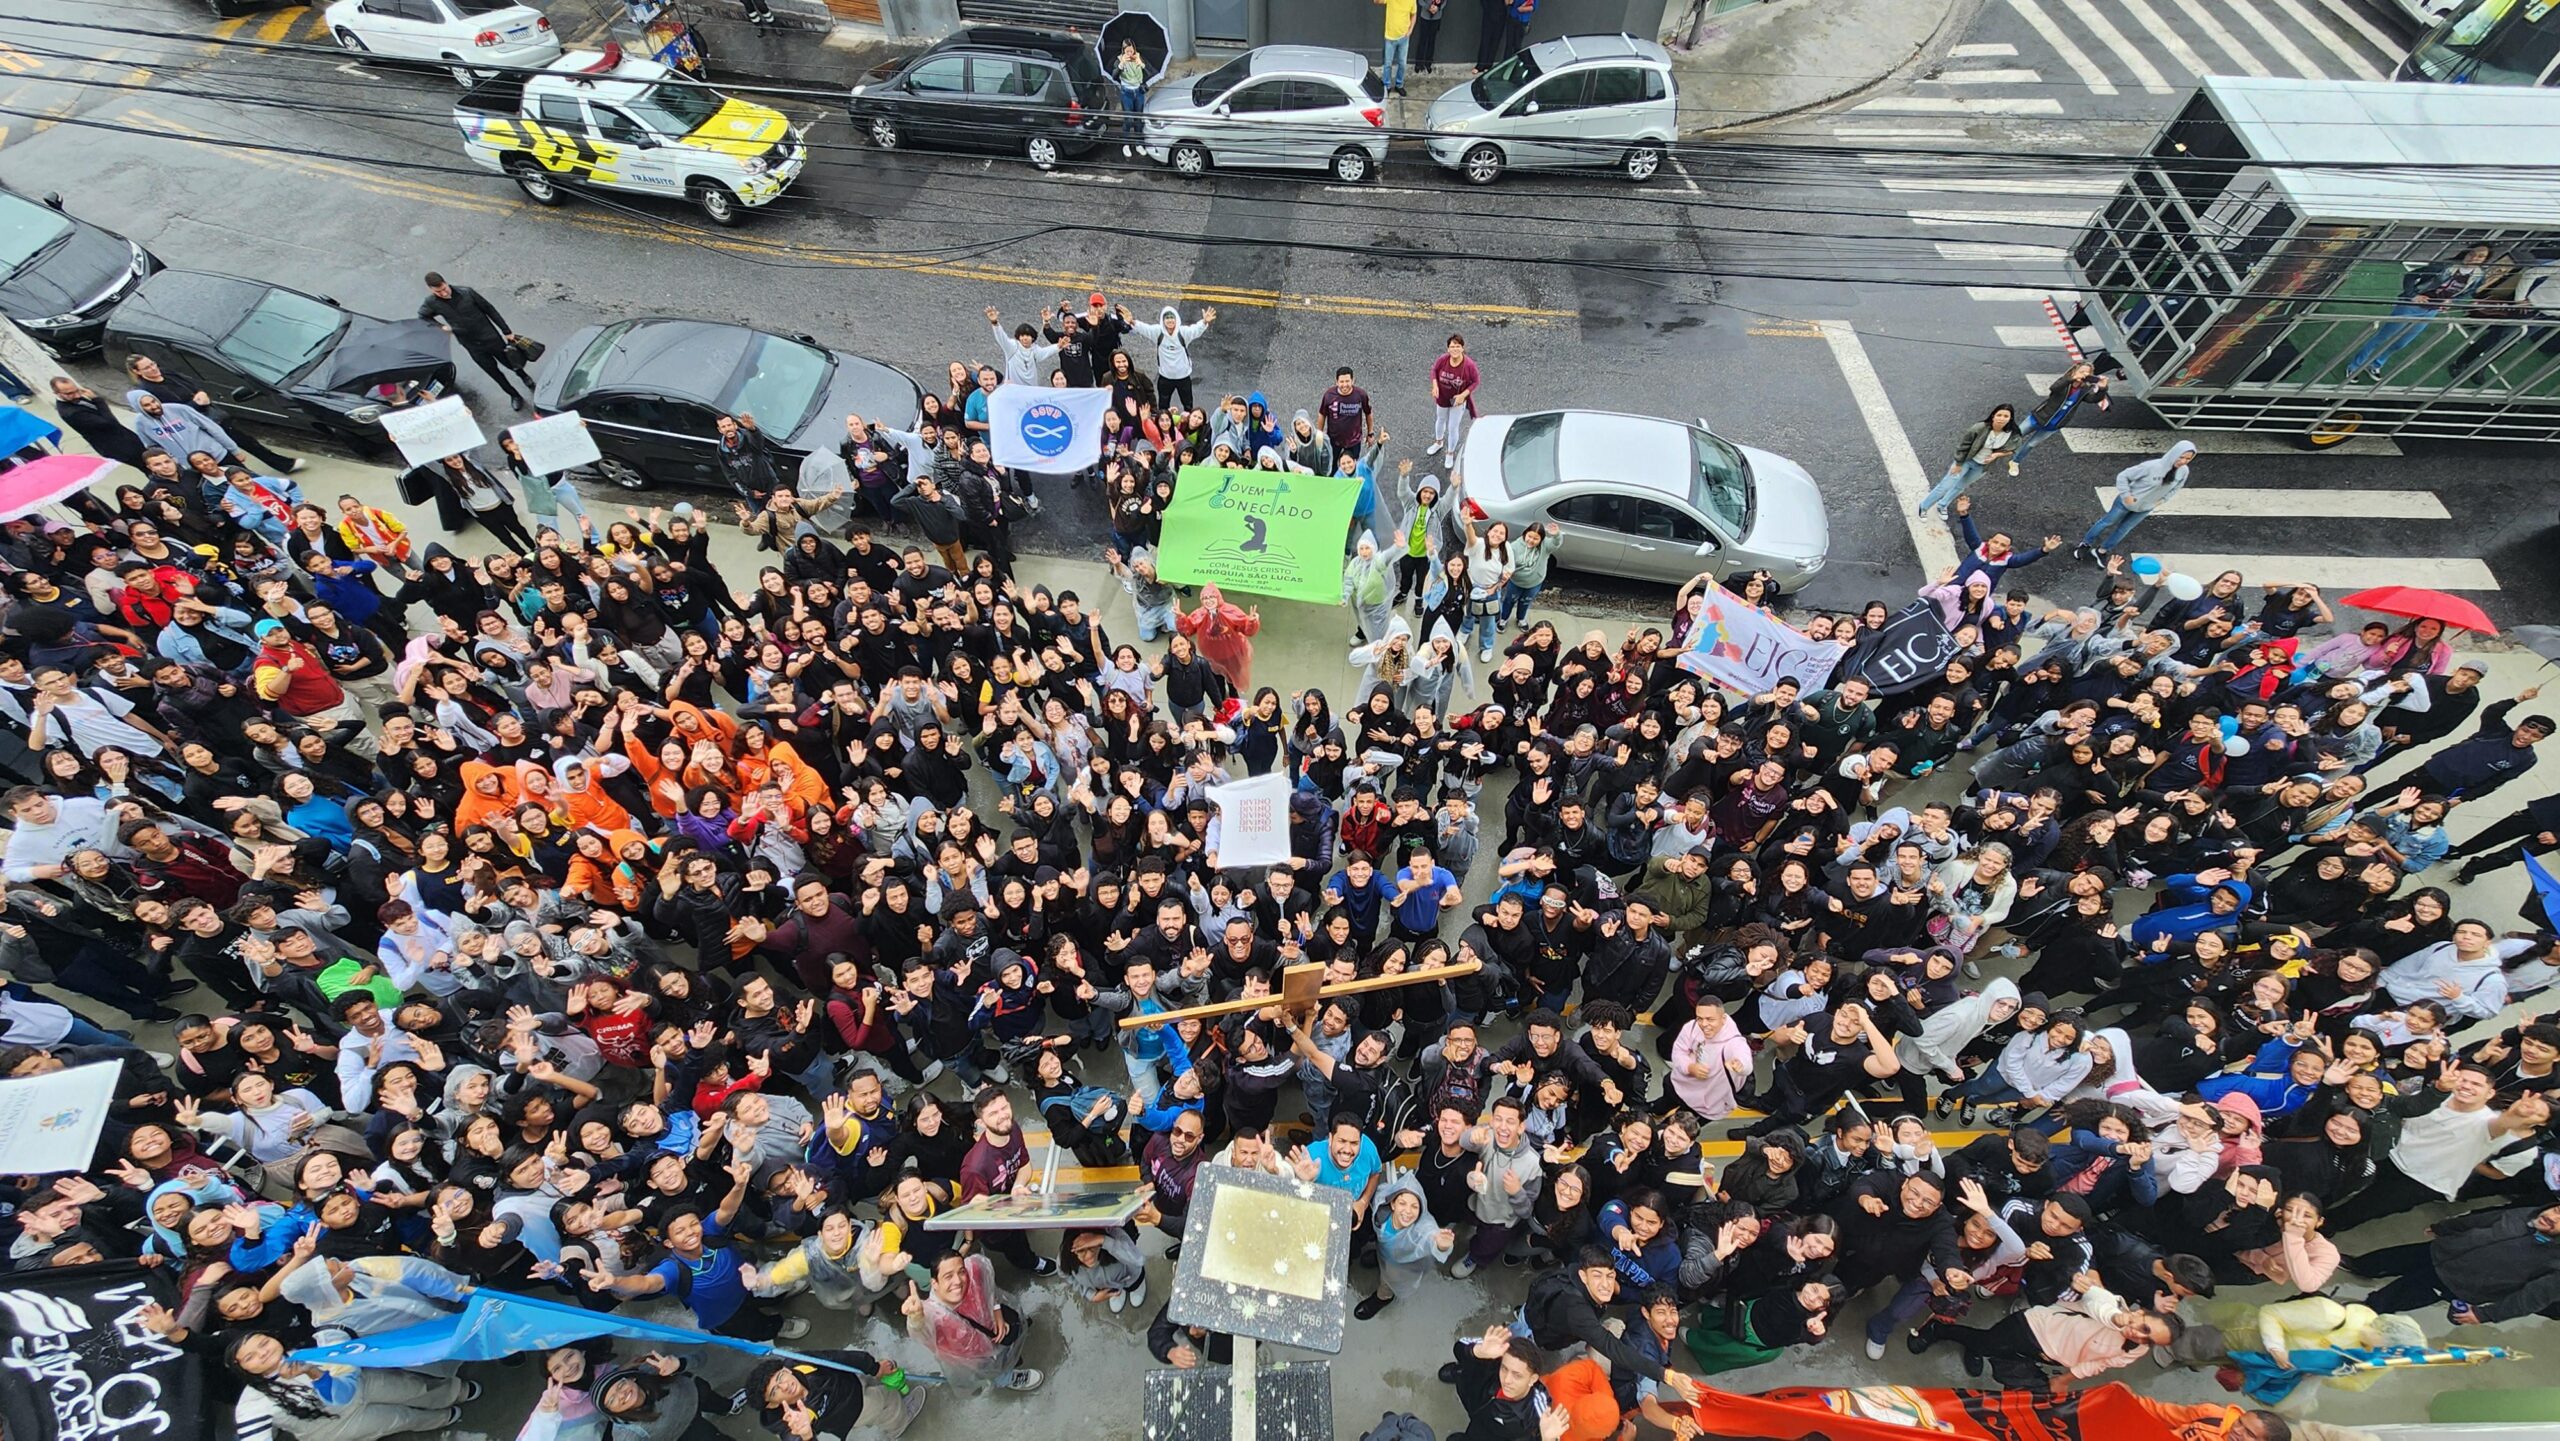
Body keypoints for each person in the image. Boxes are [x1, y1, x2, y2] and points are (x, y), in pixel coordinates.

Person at [2345, 243, 2493, 382]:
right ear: (2466, 252)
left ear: (2485, 260)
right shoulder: (2444, 266)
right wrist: (2413, 295)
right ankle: (2355, 366)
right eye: (2472, 253)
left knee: (2401, 343)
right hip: (2411, 306)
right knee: (2383, 337)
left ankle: (2376, 363)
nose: (2474, 258)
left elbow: (2468, 292)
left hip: (2430, 311)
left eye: (2480, 256)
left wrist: (2451, 301)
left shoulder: (2478, 276)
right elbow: (2411, 276)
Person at [418, 271, 533, 410]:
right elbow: (423, 316)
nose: (443, 293)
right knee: (493, 372)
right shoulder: (432, 302)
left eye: (444, 289)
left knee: (510, 361)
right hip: (472, 345)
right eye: (438, 292)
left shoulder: (467, 293)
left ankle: (524, 377)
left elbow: (490, 310)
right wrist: (441, 327)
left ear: (446, 283)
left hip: (491, 338)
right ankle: (514, 395)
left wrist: (506, 331)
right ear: (431, 289)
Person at [2073, 439, 2195, 560]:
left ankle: (2102, 550)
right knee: (2106, 522)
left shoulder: (2184, 471)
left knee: (2124, 530)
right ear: (2174, 454)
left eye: (2188, 459)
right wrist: (2126, 495)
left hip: (2145, 508)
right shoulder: (2151, 467)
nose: (2183, 461)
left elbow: (2176, 488)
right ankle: (2085, 543)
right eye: (2181, 457)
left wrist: (2162, 501)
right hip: (2125, 503)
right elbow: (2123, 476)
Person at [1917, 405, 2019, 519]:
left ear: (2010, 418)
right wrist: (1958, 464)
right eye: (1999, 415)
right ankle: (1924, 506)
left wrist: (1996, 455)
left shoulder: (2012, 434)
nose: (2002, 418)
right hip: (1966, 460)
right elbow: (1963, 446)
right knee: (1945, 486)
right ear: (1993, 416)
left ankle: (1942, 505)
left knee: (1960, 487)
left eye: (2006, 416)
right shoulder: (1980, 428)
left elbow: (2013, 449)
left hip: (1982, 466)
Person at [1428, 335, 1479, 468]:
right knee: (1440, 419)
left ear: (1462, 348)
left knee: (1452, 427)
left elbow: (1475, 381)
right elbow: (1434, 370)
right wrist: (1435, 386)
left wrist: (1463, 395)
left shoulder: (1469, 365)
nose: (1455, 349)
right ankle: (1438, 442)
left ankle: (1450, 453)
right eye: (1452, 346)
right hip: (1442, 397)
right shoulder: (1443, 360)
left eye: (1458, 346)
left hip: (1457, 401)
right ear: (1448, 349)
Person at [1114, 43, 1149, 155]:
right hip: (1126, 92)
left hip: (1138, 92)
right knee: (1128, 119)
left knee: (1138, 119)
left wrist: (1141, 64)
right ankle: (1126, 144)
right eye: (1127, 51)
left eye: (1131, 51)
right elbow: (1114, 76)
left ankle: (1139, 143)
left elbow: (1148, 74)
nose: (1129, 54)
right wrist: (1121, 65)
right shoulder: (1119, 60)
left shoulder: (1138, 57)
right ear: (1123, 51)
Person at [1378, 0, 1416, 95]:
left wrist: (1410, 30)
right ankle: (1387, 85)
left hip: (1404, 37)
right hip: (1390, 37)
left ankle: (1399, 85)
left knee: (1402, 64)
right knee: (1388, 63)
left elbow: (1414, 14)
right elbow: (1377, 1)